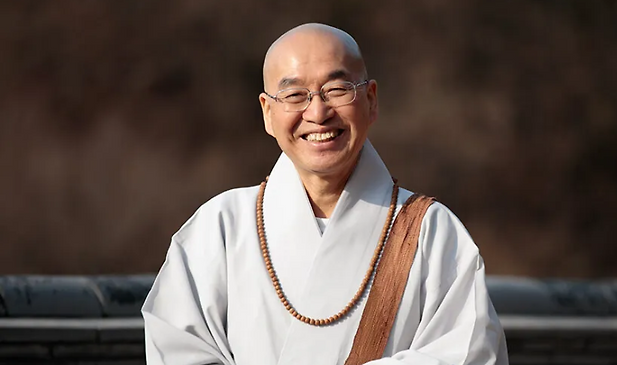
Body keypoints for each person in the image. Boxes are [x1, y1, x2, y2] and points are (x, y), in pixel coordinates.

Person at [142, 23, 508, 365]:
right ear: (268, 113)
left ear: (371, 100)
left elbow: (470, 352)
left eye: (337, 90)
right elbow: (177, 348)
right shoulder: (220, 227)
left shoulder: (429, 231)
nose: (318, 112)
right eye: (294, 95)